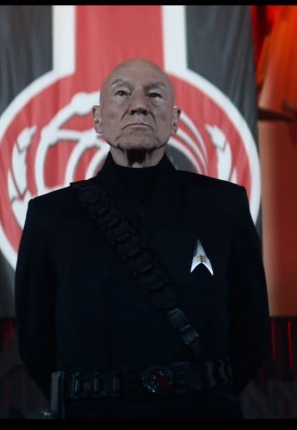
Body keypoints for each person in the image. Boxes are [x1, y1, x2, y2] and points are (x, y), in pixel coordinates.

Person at [15, 58, 270, 419]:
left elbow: (252, 331)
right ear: (97, 119)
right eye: (122, 93)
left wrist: (206, 396)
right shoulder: (51, 216)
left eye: (155, 95)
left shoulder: (223, 207)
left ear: (175, 120)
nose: (139, 105)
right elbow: (35, 340)